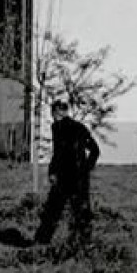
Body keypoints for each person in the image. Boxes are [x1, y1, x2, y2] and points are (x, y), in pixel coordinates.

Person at [34, 100, 101, 245]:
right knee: (80, 212)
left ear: (56, 113)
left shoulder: (58, 127)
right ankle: (85, 244)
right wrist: (86, 169)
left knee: (52, 211)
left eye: (54, 113)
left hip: (65, 177)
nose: (53, 117)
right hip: (78, 178)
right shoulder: (80, 127)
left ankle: (41, 243)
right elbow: (95, 150)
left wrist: (53, 172)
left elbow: (58, 153)